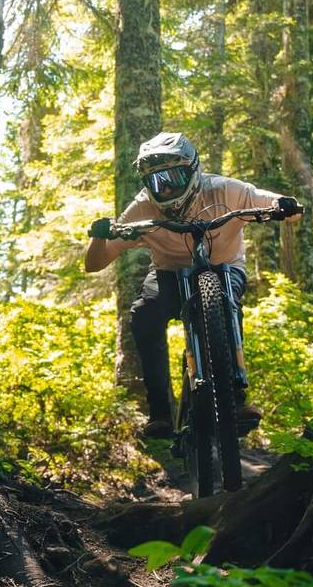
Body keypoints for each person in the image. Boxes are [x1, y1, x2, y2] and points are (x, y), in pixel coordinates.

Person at [84, 131, 302, 438]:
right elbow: (95, 263)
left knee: (226, 303)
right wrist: (99, 235)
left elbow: (273, 203)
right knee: (145, 315)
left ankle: (236, 398)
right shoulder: (143, 207)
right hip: (169, 273)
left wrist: (284, 206)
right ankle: (160, 412)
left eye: (173, 176)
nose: (167, 187)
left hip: (225, 267)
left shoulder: (226, 190)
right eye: (157, 181)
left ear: (193, 170)